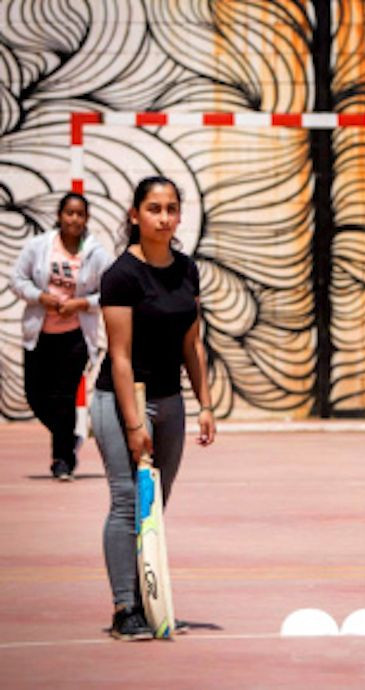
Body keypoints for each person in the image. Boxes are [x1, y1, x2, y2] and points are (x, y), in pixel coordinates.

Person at [92, 176, 215, 640]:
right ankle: (125, 608)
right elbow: (120, 357)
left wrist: (204, 403)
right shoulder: (121, 275)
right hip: (122, 399)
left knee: (154, 509)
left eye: (170, 209)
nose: (163, 217)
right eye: (154, 209)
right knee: (127, 502)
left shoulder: (186, 270)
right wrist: (132, 421)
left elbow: (193, 342)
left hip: (169, 398)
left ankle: (152, 601)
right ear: (135, 215)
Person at [11, 193, 113, 481]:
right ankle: (69, 438)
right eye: (69, 213)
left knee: (65, 397)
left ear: (87, 219)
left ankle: (62, 461)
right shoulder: (39, 246)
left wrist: (82, 304)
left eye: (80, 214)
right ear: (59, 215)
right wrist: (40, 297)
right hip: (39, 335)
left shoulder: (96, 254)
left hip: (75, 337)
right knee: (36, 395)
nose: (74, 219)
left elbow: (111, 290)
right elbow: (17, 280)